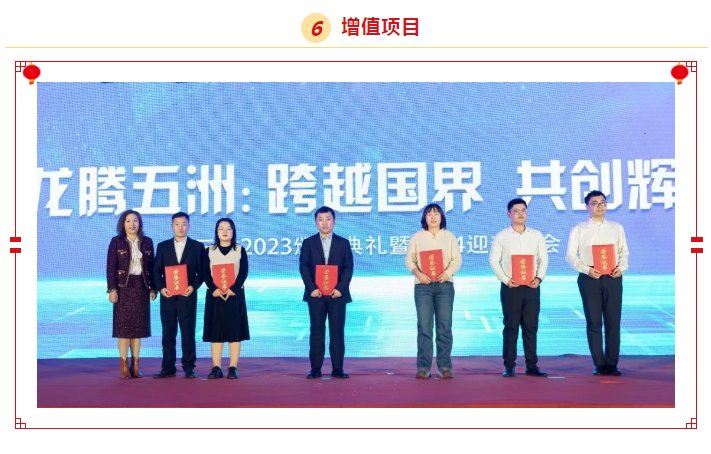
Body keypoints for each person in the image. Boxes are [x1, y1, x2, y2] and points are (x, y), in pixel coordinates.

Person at [566, 190, 629, 376]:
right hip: (589, 277)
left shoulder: (616, 228)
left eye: (603, 202)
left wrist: (621, 268)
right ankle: (599, 363)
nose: (600, 206)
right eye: (595, 203)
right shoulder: (579, 229)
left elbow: (624, 252)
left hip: (613, 276)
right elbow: (570, 256)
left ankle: (612, 363)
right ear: (587, 206)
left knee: (613, 321)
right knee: (594, 321)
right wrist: (587, 269)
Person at [489, 198, 549, 378]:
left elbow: (543, 259)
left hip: (532, 287)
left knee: (531, 327)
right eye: (516, 211)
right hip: (511, 287)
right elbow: (493, 261)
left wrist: (539, 278)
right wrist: (506, 280)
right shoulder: (501, 236)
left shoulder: (536, 235)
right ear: (509, 214)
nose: (520, 214)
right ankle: (509, 366)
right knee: (511, 327)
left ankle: (532, 366)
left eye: (523, 210)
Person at [405, 203, 462, 379]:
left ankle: (444, 366)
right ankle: (423, 367)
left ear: (442, 217)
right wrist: (418, 273)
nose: (433, 217)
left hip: (445, 285)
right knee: (424, 327)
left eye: (436, 214)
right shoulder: (417, 237)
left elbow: (457, 260)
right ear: (425, 218)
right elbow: (409, 260)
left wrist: (447, 273)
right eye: (429, 214)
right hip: (423, 287)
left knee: (444, 326)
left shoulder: (449, 236)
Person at [299, 206, 354, 379]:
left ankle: (338, 368)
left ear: (334, 222)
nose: (324, 223)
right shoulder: (308, 243)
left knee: (337, 332)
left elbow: (348, 268)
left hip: (337, 295)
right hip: (316, 295)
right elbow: (304, 267)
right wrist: (312, 288)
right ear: (316, 222)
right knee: (317, 331)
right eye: (320, 219)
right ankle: (315, 368)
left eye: (328, 219)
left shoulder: (343, 243)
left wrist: (340, 289)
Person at [152, 212, 204, 379]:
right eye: (177, 224)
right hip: (168, 297)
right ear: (171, 226)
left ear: (189, 226)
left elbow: (202, 273)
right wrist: (161, 288)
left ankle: (189, 367)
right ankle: (168, 367)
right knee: (168, 334)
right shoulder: (163, 246)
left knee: (188, 333)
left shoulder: (197, 247)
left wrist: (193, 287)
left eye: (184, 224)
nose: (180, 227)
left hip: (187, 297)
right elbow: (156, 271)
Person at [106, 209, 156, 379]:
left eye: (135, 221)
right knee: (123, 329)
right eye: (128, 221)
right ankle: (123, 365)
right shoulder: (116, 241)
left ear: (139, 223)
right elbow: (111, 267)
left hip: (141, 287)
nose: (132, 224)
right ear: (123, 223)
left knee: (138, 329)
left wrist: (153, 288)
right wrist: (112, 289)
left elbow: (152, 267)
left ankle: (135, 365)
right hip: (123, 288)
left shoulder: (147, 242)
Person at [202, 218, 250, 379]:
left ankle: (233, 367)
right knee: (216, 332)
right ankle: (216, 367)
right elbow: (205, 272)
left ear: (233, 231)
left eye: (228, 228)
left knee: (234, 332)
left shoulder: (239, 249)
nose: (224, 231)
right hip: (215, 295)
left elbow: (243, 272)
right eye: (221, 228)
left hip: (234, 295)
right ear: (216, 232)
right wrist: (213, 289)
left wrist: (233, 289)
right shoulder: (209, 250)